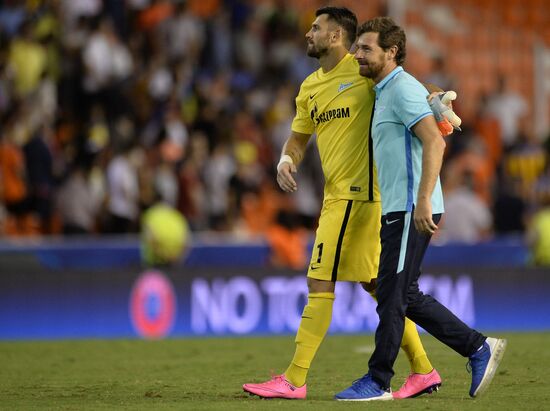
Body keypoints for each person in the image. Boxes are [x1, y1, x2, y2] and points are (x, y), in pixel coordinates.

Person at [243, 7, 443, 400]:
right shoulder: (308, 88)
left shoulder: (364, 70)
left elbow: (409, 87)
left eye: (316, 28)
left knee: (320, 279)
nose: (308, 33)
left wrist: (436, 100)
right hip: (336, 197)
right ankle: (423, 370)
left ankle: (295, 379)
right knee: (378, 287)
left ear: (336, 36)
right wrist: (287, 159)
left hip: (361, 197)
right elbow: (299, 137)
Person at [334, 17, 506, 401]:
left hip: (411, 206)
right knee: (403, 294)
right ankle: (478, 347)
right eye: (357, 47)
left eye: (366, 48)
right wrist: (434, 92)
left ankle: (378, 381)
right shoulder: (388, 88)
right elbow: (423, 91)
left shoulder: (399, 89)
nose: (357, 54)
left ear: (391, 52)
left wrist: (424, 199)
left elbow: (435, 143)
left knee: (392, 296)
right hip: (401, 206)